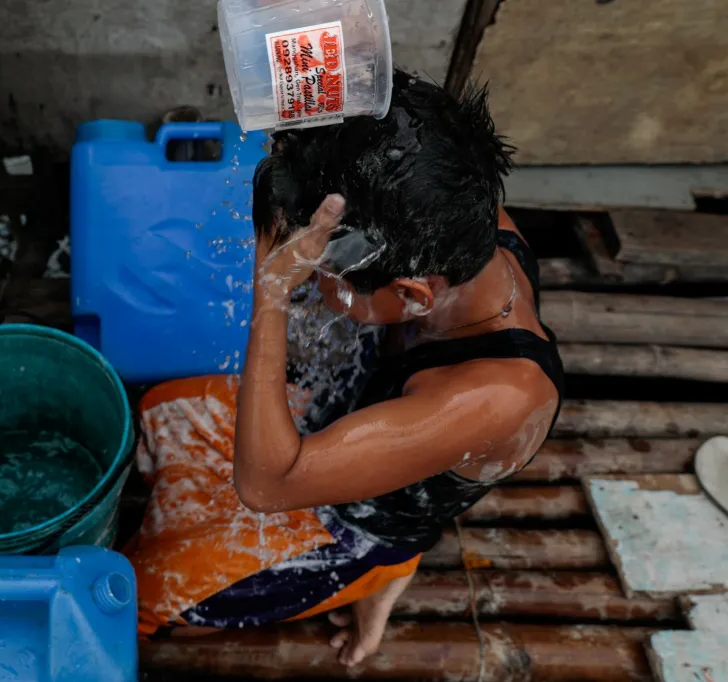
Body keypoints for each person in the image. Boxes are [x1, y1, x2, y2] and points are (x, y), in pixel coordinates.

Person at [122, 69, 564, 667]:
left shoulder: (494, 393)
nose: (313, 279)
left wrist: (273, 292)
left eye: (324, 275)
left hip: (354, 522)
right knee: (155, 415)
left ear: (411, 295)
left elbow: (267, 485)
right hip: (346, 421)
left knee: (139, 603)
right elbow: (383, 140)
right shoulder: (455, 215)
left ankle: (383, 575)